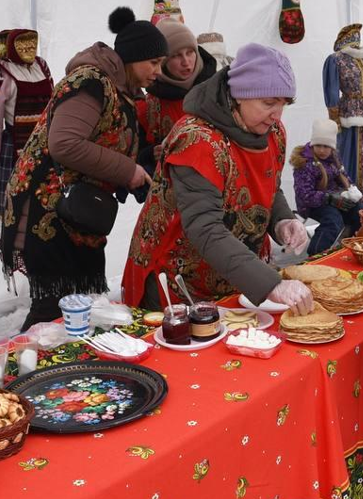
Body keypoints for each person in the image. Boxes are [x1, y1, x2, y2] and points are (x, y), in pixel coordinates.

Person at [2, 7, 165, 331]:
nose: (158, 71)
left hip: (77, 215)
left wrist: (144, 159)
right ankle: (22, 374)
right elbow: (65, 143)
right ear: (132, 57)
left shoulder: (124, 93)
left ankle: (68, 376)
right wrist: (127, 170)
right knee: (52, 311)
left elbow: (107, 143)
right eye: (154, 62)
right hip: (48, 211)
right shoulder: (90, 81)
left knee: (78, 309)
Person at [121, 44, 313, 314]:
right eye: (269, 103)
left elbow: (270, 184)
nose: (277, 114)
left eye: (284, 104)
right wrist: (271, 284)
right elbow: (203, 226)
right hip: (177, 282)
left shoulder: (272, 131)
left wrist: (282, 220)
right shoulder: (198, 141)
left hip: (234, 275)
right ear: (238, 96)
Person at [0, 28, 54, 233]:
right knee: (18, 221)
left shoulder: (41, 65)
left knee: (48, 219)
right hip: (15, 156)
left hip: (49, 155)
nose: (28, 49)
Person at [134, 19, 218, 186]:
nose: (186, 62)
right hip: (172, 193)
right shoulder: (149, 106)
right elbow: (134, 154)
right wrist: (152, 153)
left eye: (190, 52)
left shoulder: (218, 91)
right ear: (163, 61)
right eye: (176, 55)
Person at [323, 23, 363, 206]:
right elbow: (331, 90)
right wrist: (334, 119)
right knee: (347, 158)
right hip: (347, 116)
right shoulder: (336, 59)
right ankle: (350, 209)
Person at [292, 119, 363, 255]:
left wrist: (352, 191)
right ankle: (315, 254)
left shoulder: (333, 159)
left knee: (360, 212)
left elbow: (344, 176)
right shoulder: (305, 164)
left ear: (332, 147)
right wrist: (328, 198)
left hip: (333, 199)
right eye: (318, 145)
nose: (322, 150)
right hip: (312, 205)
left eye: (326, 146)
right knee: (333, 220)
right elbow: (305, 195)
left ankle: (351, 245)